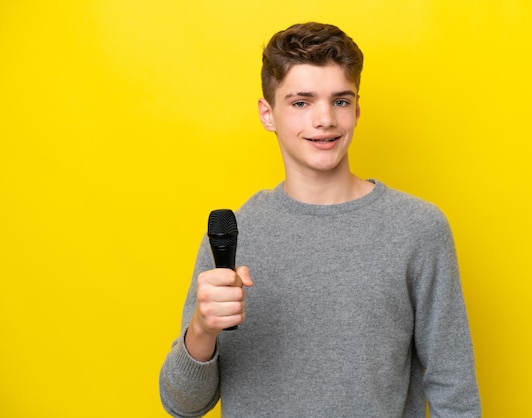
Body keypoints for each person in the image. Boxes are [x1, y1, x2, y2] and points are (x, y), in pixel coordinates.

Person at [159, 22, 481, 418]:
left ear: (357, 109)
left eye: (340, 101)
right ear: (268, 113)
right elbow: (182, 405)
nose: (325, 119)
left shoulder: (418, 229)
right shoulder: (236, 235)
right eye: (301, 102)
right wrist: (202, 331)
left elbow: (455, 390)